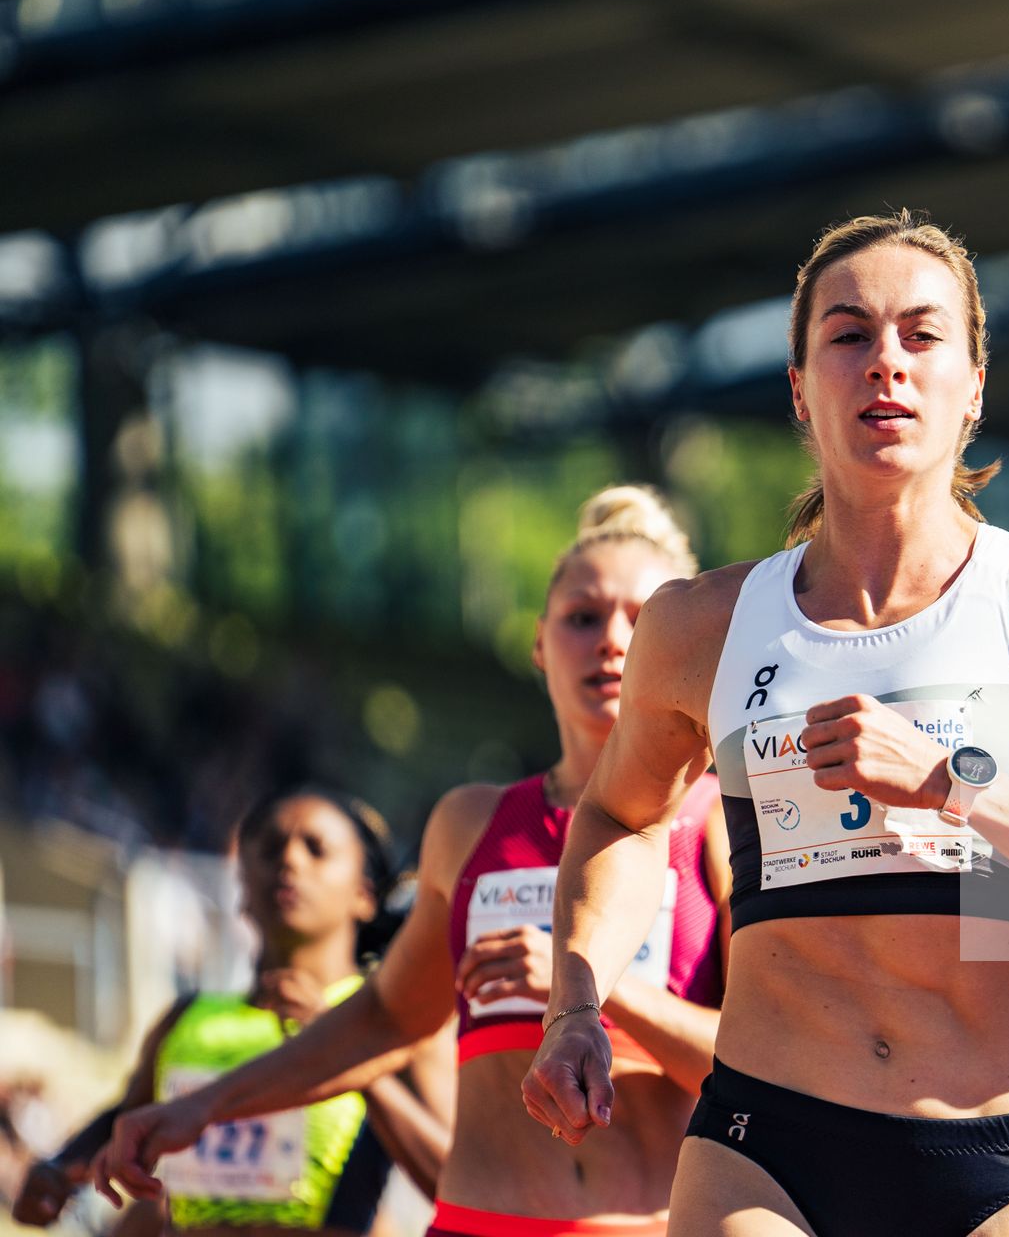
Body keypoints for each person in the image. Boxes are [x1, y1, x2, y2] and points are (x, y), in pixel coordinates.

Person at [521, 210, 1009, 1235]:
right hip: (764, 1148)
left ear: (974, 386)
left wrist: (958, 786)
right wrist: (576, 1002)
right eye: (849, 335)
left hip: (993, 1158)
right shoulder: (701, 625)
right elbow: (621, 819)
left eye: (922, 334)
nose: (886, 363)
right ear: (801, 389)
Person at [96, 487, 731, 1237]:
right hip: (473, 1221)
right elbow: (385, 1018)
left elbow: (771, 1069)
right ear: (539, 642)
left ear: (683, 646)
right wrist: (202, 1105)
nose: (611, 640)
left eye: (642, 617)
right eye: (582, 617)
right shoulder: (471, 823)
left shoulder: (722, 821)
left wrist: (586, 985)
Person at [14, 787, 450, 1237]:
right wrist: (57, 1169)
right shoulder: (188, 1019)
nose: (291, 862)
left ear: (364, 893)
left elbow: (455, 1179)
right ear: (240, 883)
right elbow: (126, 1119)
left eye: (316, 850)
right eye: (270, 848)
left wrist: (344, 1054)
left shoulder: (393, 1022)